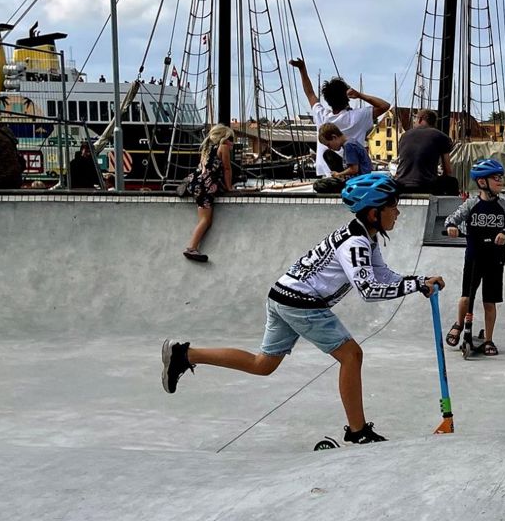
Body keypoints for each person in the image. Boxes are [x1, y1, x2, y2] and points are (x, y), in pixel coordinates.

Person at [161, 173, 445, 444]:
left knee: (264, 364)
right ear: (373, 213)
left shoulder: (364, 235)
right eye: (393, 205)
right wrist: (414, 287)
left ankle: (183, 353)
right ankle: (358, 431)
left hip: (283, 294)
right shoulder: (355, 243)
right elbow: (368, 290)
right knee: (351, 355)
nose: (398, 211)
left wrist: (418, 281)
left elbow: (381, 275)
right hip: (301, 303)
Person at [443, 158, 505, 356]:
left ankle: (489, 339)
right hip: (474, 256)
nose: (500, 181)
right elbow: (452, 219)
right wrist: (451, 227)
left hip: (495, 259)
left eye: (501, 177)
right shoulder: (471, 204)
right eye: (496, 178)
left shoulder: (504, 206)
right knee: (466, 297)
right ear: (482, 182)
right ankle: (459, 325)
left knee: (489, 301)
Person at [289, 56, 390, 178]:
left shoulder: (322, 116)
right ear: (347, 98)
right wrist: (360, 95)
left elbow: (309, 93)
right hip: (353, 178)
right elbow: (385, 106)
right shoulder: (358, 117)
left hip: (328, 176)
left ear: (327, 100)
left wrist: (302, 69)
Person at [182, 125, 235, 262]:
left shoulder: (207, 148)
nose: (232, 143)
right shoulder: (222, 147)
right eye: (231, 139)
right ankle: (191, 248)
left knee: (205, 220)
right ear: (223, 138)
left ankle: (192, 247)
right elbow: (227, 169)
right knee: (205, 220)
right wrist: (229, 188)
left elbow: (208, 169)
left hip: (197, 183)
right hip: (205, 186)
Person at [393, 108, 459, 195]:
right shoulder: (441, 136)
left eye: (415, 119)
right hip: (427, 185)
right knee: (452, 182)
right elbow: (447, 170)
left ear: (420, 119)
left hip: (402, 185)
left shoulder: (404, 136)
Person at [312, 123, 372, 194]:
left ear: (334, 137)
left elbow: (354, 169)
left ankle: (344, 188)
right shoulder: (350, 142)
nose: (329, 147)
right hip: (357, 178)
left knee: (318, 185)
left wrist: (338, 174)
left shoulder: (349, 146)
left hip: (357, 181)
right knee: (328, 154)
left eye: (329, 144)